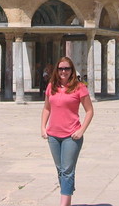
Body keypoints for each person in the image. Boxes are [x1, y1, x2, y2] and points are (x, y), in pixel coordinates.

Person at [41, 56, 94, 206]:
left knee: (67, 170)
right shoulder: (52, 86)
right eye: (61, 68)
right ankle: (67, 192)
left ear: (72, 71)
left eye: (67, 68)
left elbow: (89, 111)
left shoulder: (79, 87)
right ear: (56, 70)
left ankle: (64, 203)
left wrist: (81, 130)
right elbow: (46, 108)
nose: (63, 71)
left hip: (72, 136)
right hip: (53, 135)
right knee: (60, 170)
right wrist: (43, 127)